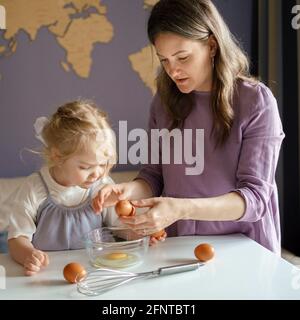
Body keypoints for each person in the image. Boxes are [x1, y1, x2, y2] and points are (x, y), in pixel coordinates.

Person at [93, 0, 285, 254]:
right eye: (164, 60)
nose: (173, 70)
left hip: (243, 248)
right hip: (178, 247)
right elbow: (154, 176)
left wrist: (181, 208)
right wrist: (129, 190)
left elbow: (255, 199)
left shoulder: (255, 102)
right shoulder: (163, 103)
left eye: (182, 57)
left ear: (212, 45)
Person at [7, 100, 119, 275]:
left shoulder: (102, 186)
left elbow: (121, 228)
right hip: (50, 274)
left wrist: (142, 231)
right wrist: (28, 255)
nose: (97, 173)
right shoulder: (35, 188)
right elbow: (16, 239)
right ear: (57, 156)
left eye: (102, 164)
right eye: (85, 167)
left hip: (98, 271)